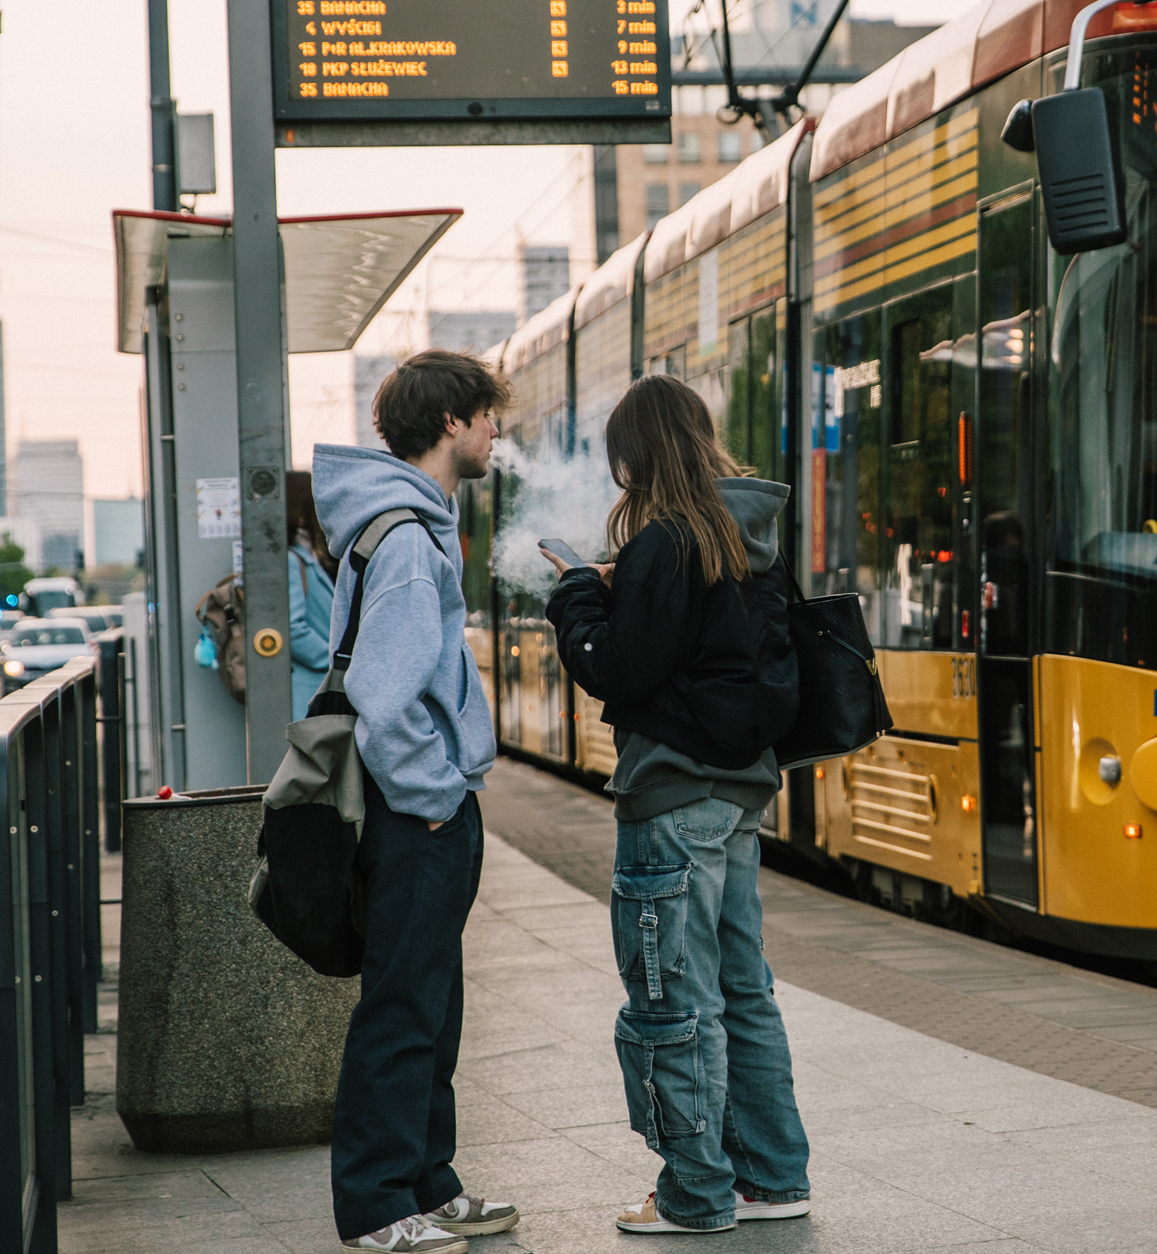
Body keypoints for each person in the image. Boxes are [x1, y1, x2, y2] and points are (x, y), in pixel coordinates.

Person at [545, 375, 812, 1236]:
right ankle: (774, 1179)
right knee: (742, 989)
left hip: (672, 794)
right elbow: (708, 651)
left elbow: (621, 668)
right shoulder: (747, 538)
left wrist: (581, 595)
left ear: (638, 455)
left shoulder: (667, 541)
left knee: (669, 996)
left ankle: (697, 1195)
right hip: (739, 796)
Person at [312, 350, 519, 1254]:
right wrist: (437, 797)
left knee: (432, 1002)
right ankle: (375, 1204)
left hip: (424, 805)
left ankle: (429, 1183)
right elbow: (385, 700)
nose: (494, 433)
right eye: (487, 417)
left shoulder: (412, 524)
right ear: (450, 423)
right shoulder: (405, 537)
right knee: (401, 1008)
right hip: (416, 812)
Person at [285, 469, 340, 722]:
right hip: (307, 688)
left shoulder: (306, 555)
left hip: (314, 688)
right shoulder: (291, 560)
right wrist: (333, 662)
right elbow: (292, 628)